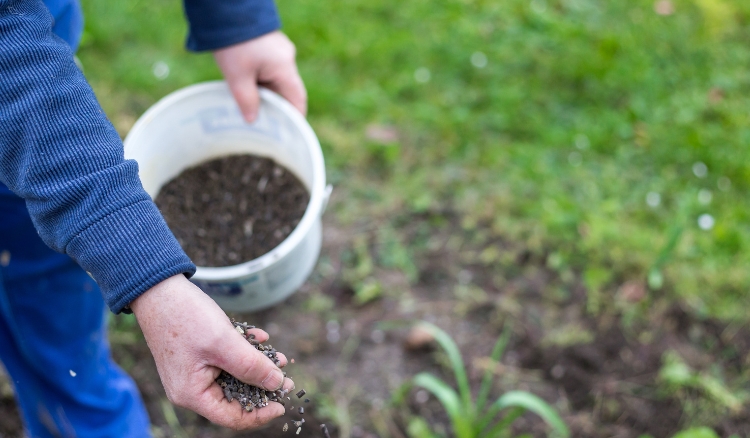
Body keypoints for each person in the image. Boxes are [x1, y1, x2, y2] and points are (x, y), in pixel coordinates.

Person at [0, 0, 307, 435]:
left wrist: (237, 19)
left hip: (36, 44)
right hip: (18, 72)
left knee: (52, 299)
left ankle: (74, 398)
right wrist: (149, 278)